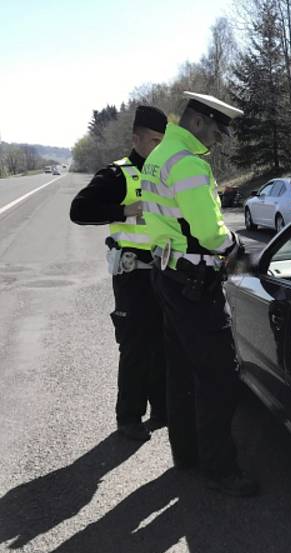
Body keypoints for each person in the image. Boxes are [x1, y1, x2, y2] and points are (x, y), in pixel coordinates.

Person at [141, 91, 259, 497]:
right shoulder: (188, 163)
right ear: (196, 122)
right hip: (195, 284)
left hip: (168, 275)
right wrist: (244, 257)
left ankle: (186, 453)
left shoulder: (159, 155)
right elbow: (210, 232)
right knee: (218, 377)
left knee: (181, 371)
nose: (219, 140)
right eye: (216, 130)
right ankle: (221, 469)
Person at [70, 105, 169, 442]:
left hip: (165, 272)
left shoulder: (166, 174)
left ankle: (162, 409)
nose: (158, 146)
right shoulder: (118, 174)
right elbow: (79, 210)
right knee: (135, 346)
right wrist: (124, 210)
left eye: (163, 140)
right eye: (153, 139)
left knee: (163, 342)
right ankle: (129, 417)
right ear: (136, 137)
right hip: (132, 275)